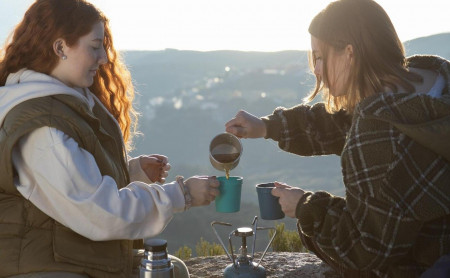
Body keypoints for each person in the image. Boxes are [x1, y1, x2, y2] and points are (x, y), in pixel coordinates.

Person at [225, 0, 450, 277]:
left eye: (319, 57)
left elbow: (365, 250)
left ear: (349, 52)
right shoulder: (429, 84)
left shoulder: (378, 131)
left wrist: (305, 207)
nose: (316, 70)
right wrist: (267, 126)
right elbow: (342, 120)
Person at [0, 0, 220, 277]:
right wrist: (181, 194)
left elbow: (67, 182)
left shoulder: (64, 103)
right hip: (43, 264)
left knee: (170, 269)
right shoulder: (42, 128)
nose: (104, 57)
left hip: (68, 251)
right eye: (94, 47)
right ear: (60, 48)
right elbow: (100, 213)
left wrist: (132, 172)